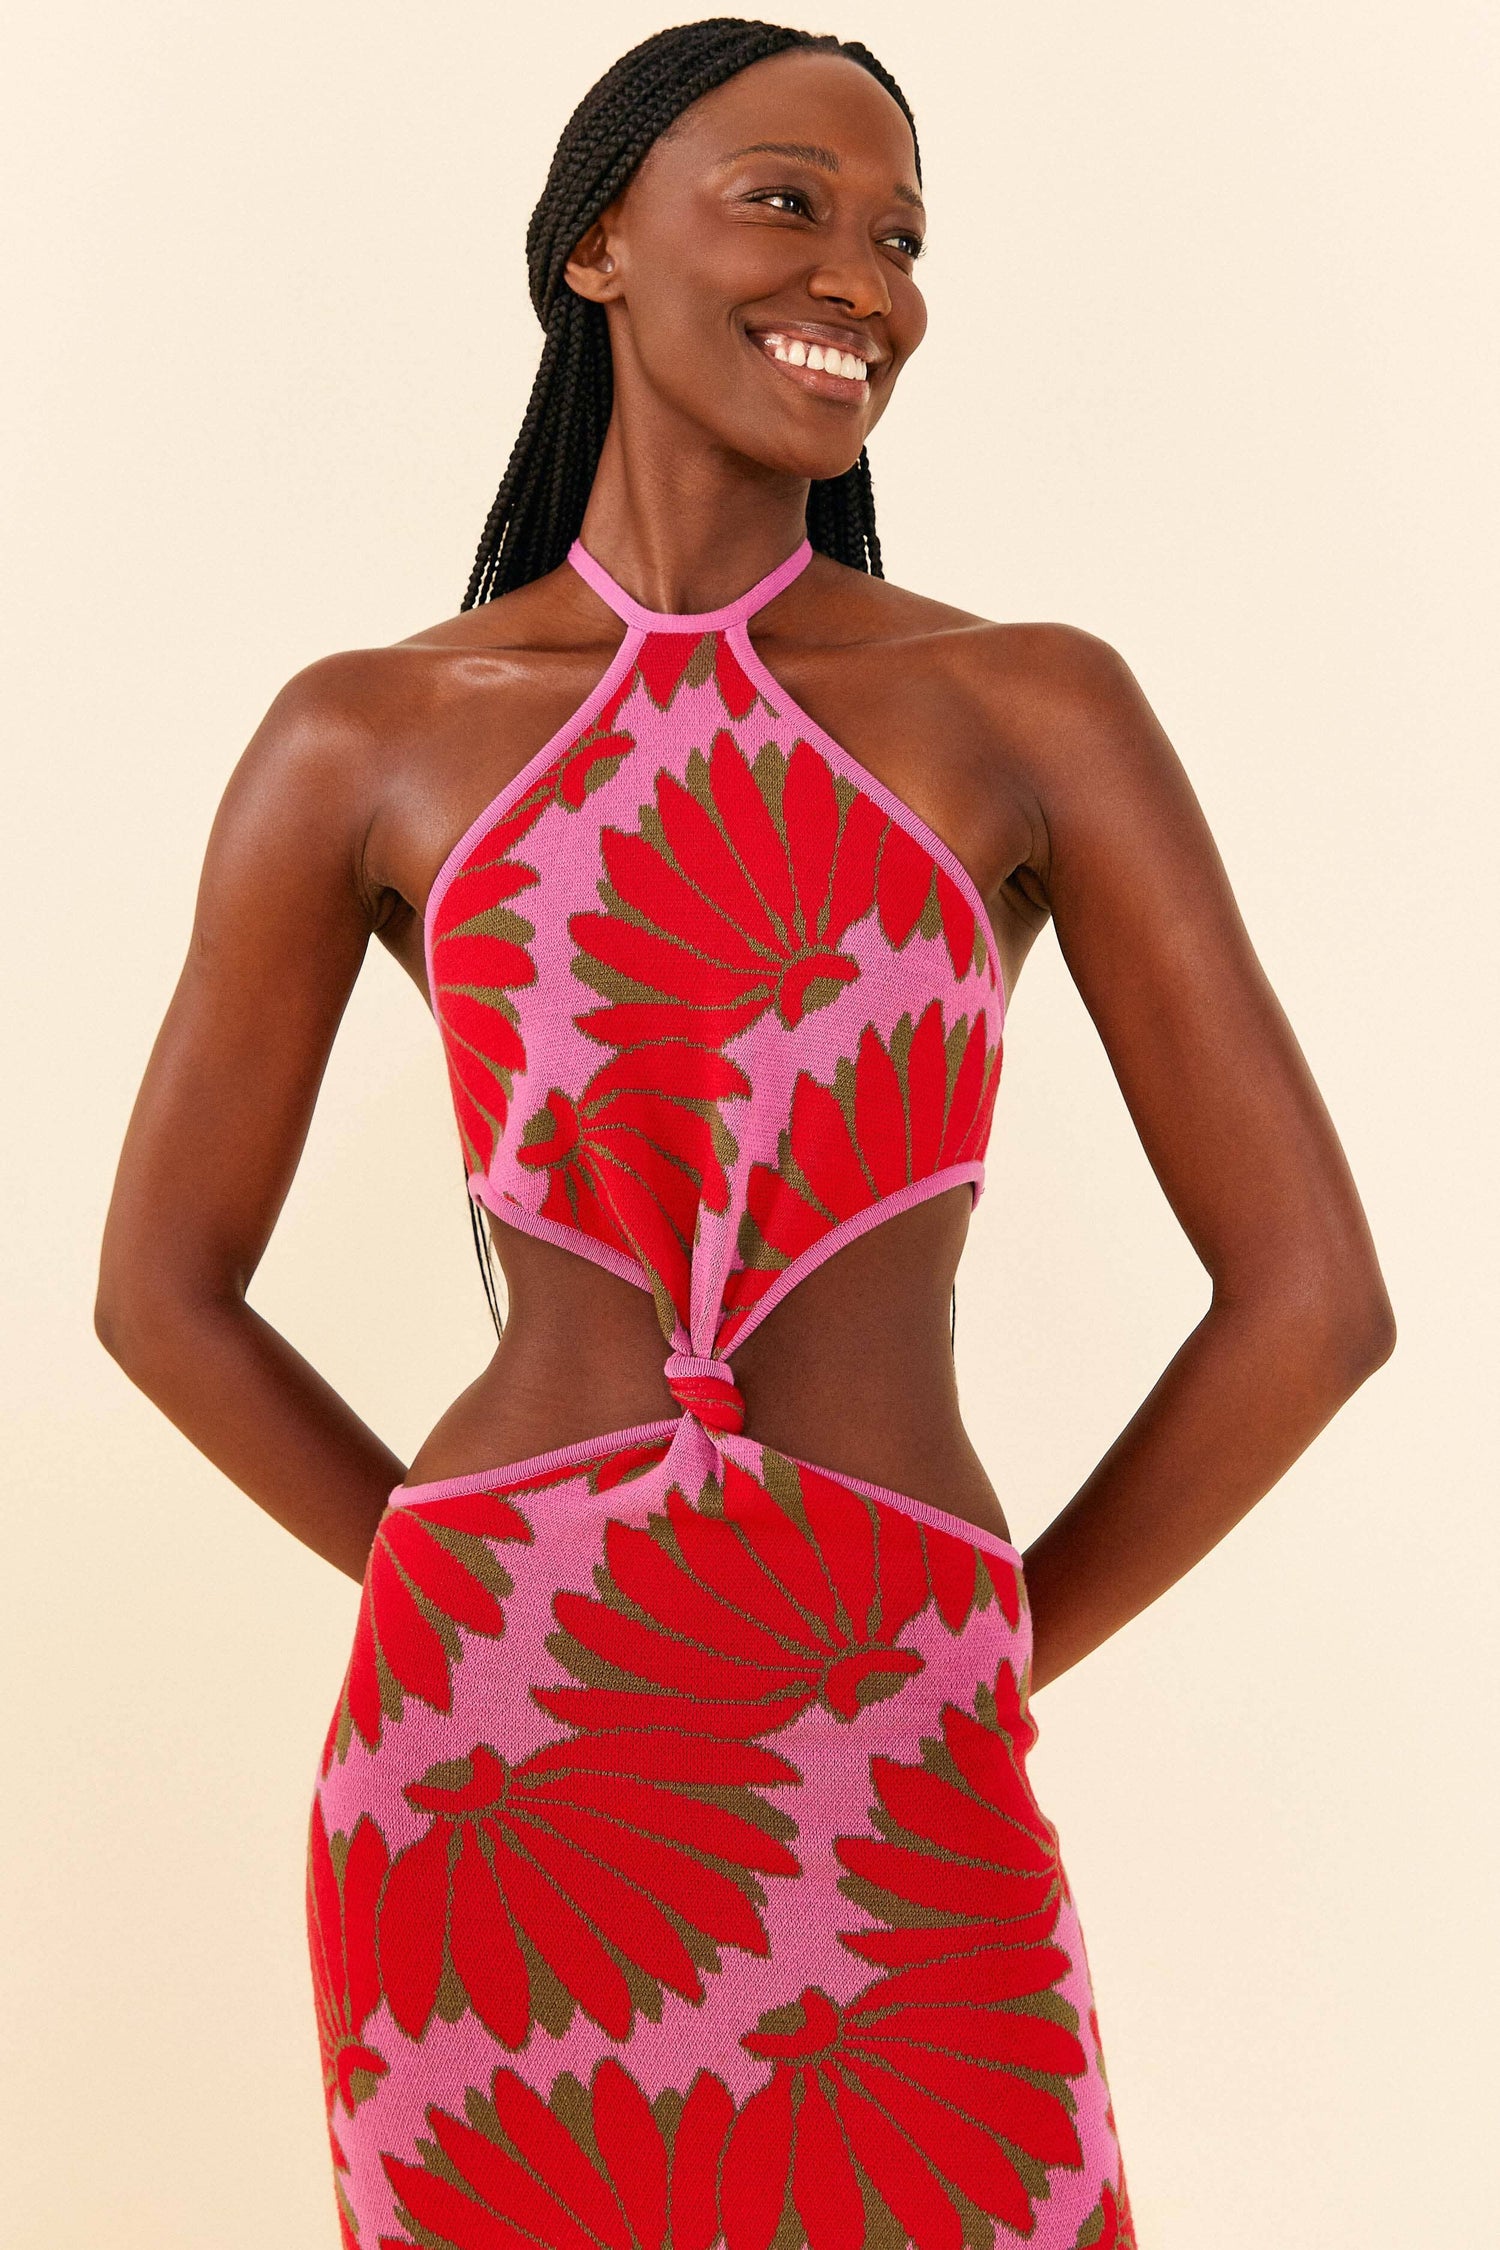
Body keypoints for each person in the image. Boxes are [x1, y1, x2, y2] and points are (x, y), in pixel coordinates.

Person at [96, 19, 1394, 2248]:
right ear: (597, 244)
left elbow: (1315, 1302)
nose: (861, 280)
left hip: (902, 1734)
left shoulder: (1025, 706)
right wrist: (466, 1593)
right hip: (495, 1777)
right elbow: (160, 1294)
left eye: (903, 238)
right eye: (788, 201)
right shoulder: (365, 738)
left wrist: (977, 1646)